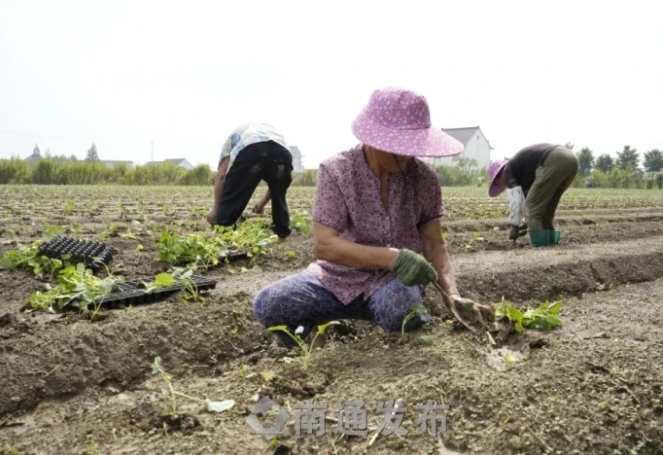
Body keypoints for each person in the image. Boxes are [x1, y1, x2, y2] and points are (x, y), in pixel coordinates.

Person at [252, 87, 495, 348]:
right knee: (270, 303)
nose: (406, 156)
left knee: (401, 310)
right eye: (397, 147)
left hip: (393, 285)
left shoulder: (424, 179)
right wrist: (393, 257)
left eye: (411, 147)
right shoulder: (337, 171)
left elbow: (434, 243)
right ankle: (309, 340)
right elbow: (325, 245)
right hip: (336, 279)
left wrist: (453, 295)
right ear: (373, 139)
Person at [207, 123, 294, 242]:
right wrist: (262, 204)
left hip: (252, 150)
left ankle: (223, 229)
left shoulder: (231, 138)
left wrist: (216, 208)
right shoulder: (273, 133)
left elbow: (221, 175)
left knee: (234, 191)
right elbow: (276, 185)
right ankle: (282, 235)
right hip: (282, 153)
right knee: (279, 191)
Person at [487, 143, 579, 241]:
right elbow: (534, 200)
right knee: (545, 210)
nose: (503, 186)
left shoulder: (506, 171)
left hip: (553, 159)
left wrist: (514, 226)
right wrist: (526, 223)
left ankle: (540, 244)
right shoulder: (522, 171)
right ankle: (551, 241)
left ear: (498, 177)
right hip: (571, 159)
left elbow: (517, 203)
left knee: (530, 209)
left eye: (497, 183)